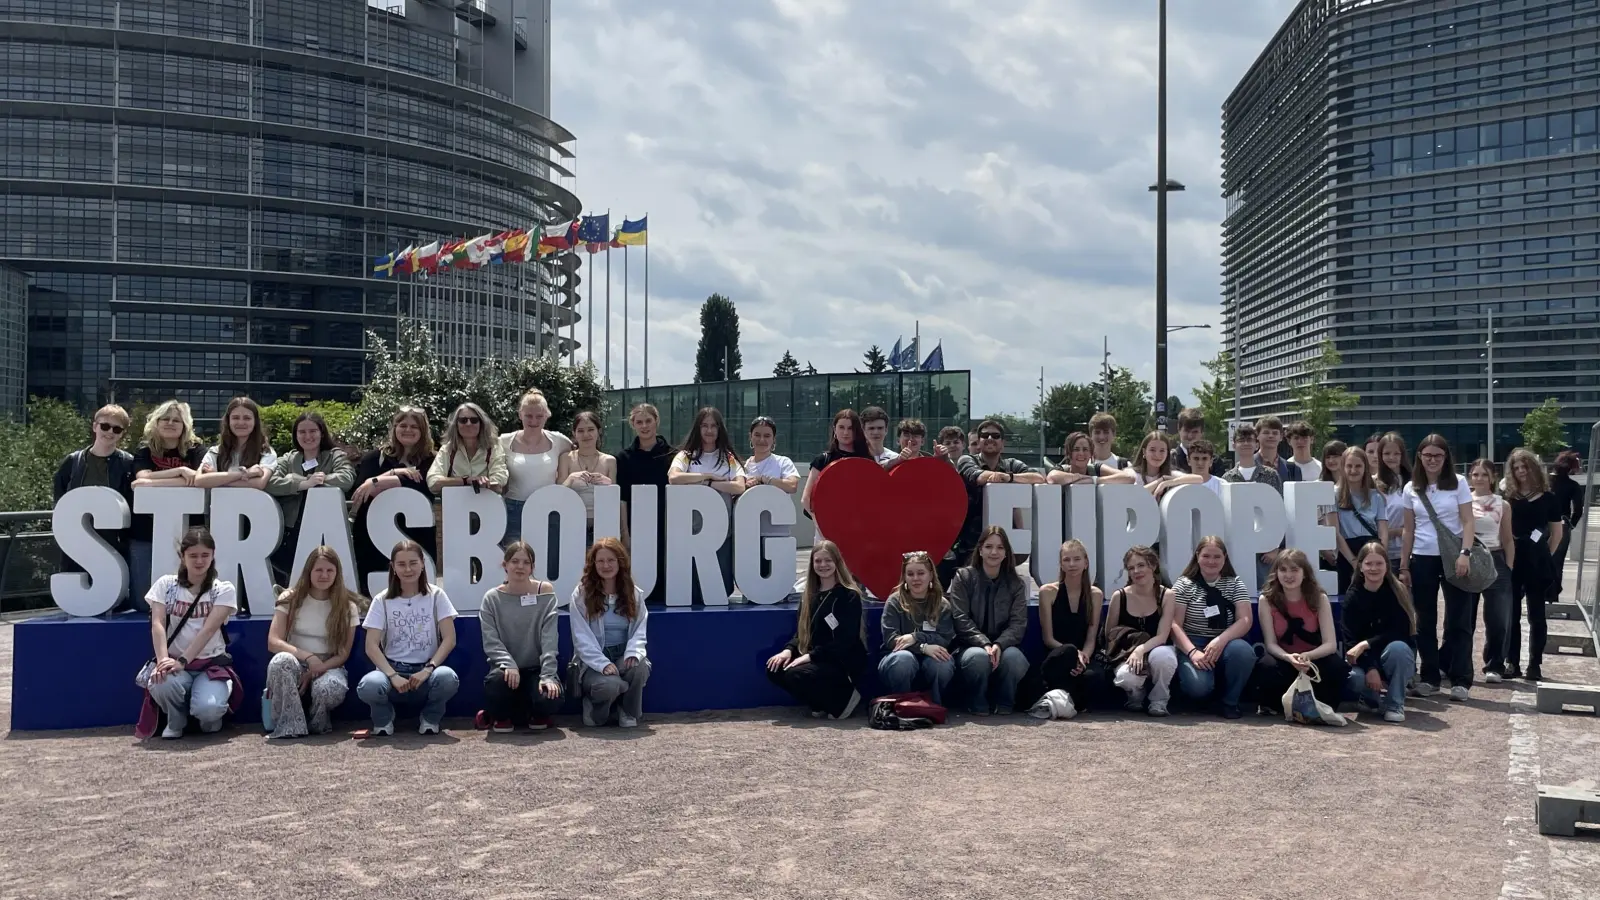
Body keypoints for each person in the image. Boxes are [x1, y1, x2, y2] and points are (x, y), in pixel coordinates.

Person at [1398, 434, 1477, 701]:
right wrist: (1404, 565)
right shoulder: (1411, 488)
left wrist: (1465, 553)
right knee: (1425, 621)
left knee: (1459, 619)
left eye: (1438, 455)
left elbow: (1468, 521)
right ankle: (1430, 676)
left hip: (1453, 556)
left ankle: (1461, 678)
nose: (1433, 460)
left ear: (1446, 458)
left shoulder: (1459, 483)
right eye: (1428, 455)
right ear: (1419, 456)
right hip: (1423, 557)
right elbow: (1409, 530)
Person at [141, 527, 239, 739]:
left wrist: (184, 660)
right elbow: (157, 623)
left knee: (209, 711)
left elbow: (209, 629)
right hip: (175, 663)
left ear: (213, 555)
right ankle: (176, 719)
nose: (199, 561)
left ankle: (207, 716)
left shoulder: (222, 589)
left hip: (210, 664)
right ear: (182, 557)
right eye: (193, 556)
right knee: (159, 682)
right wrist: (163, 661)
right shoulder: (166, 585)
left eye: (205, 555)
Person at [355, 540, 460, 735]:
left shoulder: (437, 595)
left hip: (425, 672)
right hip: (392, 672)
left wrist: (428, 670)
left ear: (422, 564)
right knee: (369, 685)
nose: (408, 569)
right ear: (393, 567)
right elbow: (371, 645)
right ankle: (384, 718)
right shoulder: (382, 600)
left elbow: (449, 639)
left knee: (447, 678)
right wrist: (392, 675)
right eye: (401, 564)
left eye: (413, 563)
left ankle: (430, 718)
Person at [263, 545, 361, 739]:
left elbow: (343, 654)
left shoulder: (347, 606)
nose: (324, 575)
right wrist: (309, 657)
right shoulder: (290, 598)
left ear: (337, 573)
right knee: (280, 661)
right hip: (296, 661)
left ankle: (319, 723)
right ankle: (291, 725)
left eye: (329, 570)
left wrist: (317, 668)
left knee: (328, 688)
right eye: (318, 570)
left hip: (328, 666)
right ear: (309, 571)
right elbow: (273, 642)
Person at [765, 540, 865, 719]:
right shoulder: (809, 595)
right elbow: (801, 631)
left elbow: (845, 640)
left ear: (837, 562)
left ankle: (845, 699)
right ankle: (819, 703)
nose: (823, 565)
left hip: (839, 660)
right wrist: (788, 650)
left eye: (828, 560)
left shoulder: (849, 596)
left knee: (797, 673)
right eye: (818, 561)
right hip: (815, 657)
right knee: (775, 669)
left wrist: (810, 657)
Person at [878, 550, 987, 706]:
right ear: (904, 577)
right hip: (897, 658)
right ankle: (902, 705)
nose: (915, 578)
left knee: (942, 663)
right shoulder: (895, 602)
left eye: (921, 573)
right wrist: (923, 647)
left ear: (930, 575)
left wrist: (916, 637)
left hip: (932, 655)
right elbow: (891, 639)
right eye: (910, 574)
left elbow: (945, 638)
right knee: (904, 659)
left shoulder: (942, 604)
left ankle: (934, 705)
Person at [54, 404, 136, 606]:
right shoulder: (73, 461)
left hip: (113, 542)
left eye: (116, 429)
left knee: (114, 602)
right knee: (77, 600)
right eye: (105, 426)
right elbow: (60, 496)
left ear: (122, 434)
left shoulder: (127, 463)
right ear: (94, 427)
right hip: (78, 543)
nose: (109, 432)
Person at [128, 400, 207, 611]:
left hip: (189, 533)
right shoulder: (145, 449)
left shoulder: (196, 449)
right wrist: (179, 472)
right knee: (142, 599)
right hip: (146, 532)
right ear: (156, 422)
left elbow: (202, 480)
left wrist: (151, 482)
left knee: (189, 597)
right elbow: (141, 478)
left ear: (185, 425)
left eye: (176, 420)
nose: (170, 423)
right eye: (165, 419)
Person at [476, 541, 562, 733]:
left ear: (532, 567)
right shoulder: (491, 598)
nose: (520, 566)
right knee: (496, 684)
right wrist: (509, 664)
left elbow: (549, 639)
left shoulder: (546, 593)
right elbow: (491, 641)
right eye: (515, 561)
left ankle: (538, 715)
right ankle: (501, 717)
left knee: (550, 696)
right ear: (505, 565)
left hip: (536, 669)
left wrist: (548, 675)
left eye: (526, 562)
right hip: (505, 671)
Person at [1167, 536, 1257, 719]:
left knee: (1243, 652)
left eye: (1217, 557)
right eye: (1206, 556)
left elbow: (1245, 620)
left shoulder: (1235, 583)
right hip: (1193, 643)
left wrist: (1220, 640)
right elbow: (1174, 624)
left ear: (1225, 558)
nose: (1211, 561)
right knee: (1198, 687)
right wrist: (1193, 652)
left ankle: (1230, 702)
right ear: (1197, 556)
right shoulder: (1184, 584)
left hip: (1226, 642)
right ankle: (1204, 696)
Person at [946, 526, 1031, 715]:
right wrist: (983, 643)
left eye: (1000, 547)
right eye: (989, 546)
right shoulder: (963, 577)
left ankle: (1005, 702)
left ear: (1007, 552)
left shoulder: (1016, 584)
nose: (994, 552)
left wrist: (999, 644)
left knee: (1015, 659)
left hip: (1004, 646)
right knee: (977, 658)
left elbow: (1018, 624)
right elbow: (960, 618)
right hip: (969, 646)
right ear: (980, 550)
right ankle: (977, 701)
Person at [350, 407, 438, 587]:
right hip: (373, 536)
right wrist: (394, 472)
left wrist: (377, 481)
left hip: (417, 534)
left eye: (414, 426)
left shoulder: (433, 460)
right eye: (403, 425)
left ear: (423, 431)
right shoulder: (375, 458)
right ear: (394, 428)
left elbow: (424, 485)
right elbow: (363, 490)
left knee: (418, 588)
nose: (408, 430)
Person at [265, 412, 355, 586]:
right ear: (296, 435)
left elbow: (346, 478)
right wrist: (303, 482)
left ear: (322, 432)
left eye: (313, 431)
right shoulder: (288, 458)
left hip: (326, 528)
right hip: (292, 529)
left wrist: (321, 479)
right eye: (302, 432)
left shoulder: (335, 455)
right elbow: (271, 483)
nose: (308, 436)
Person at [568, 538, 651, 727]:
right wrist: (602, 663)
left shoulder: (634, 593)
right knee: (610, 685)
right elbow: (581, 637)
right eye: (601, 561)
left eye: (611, 560)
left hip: (622, 654)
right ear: (593, 564)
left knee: (640, 667)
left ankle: (628, 711)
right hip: (594, 659)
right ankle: (596, 710)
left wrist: (633, 653)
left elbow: (640, 629)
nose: (606, 565)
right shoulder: (581, 594)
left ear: (620, 562)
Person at [950, 420, 1044, 586]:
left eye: (995, 435)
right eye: (985, 435)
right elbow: (976, 476)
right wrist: (997, 477)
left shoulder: (1011, 465)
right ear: (978, 441)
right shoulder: (966, 460)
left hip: (1006, 549)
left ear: (1003, 442)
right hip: (971, 546)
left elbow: (1039, 477)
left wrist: (1010, 477)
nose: (990, 438)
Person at [1253, 549, 1345, 716]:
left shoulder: (1320, 598)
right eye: (1283, 570)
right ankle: (1277, 707)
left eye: (1294, 570)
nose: (1288, 575)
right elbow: (1270, 644)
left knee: (1336, 667)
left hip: (1313, 658)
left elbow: (1330, 644)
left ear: (1304, 573)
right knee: (1266, 666)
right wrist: (1289, 658)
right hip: (1284, 659)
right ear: (1276, 573)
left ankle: (1323, 707)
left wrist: (1307, 657)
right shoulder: (1266, 600)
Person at [669, 407, 746, 601]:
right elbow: (674, 477)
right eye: (705, 426)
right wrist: (705, 476)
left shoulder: (728, 458)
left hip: (721, 534)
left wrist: (711, 483)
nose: (709, 430)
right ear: (698, 428)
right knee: (692, 592)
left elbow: (739, 487)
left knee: (719, 591)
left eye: (714, 426)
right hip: (691, 534)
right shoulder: (686, 456)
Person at [1506, 447, 1564, 682]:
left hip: (1537, 563)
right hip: (1513, 560)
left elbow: (1556, 534)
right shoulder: (1509, 497)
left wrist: (1544, 556)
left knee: (1537, 615)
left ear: (1534, 468)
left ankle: (1534, 663)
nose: (1521, 471)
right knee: (1511, 614)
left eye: (1525, 466)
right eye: (1516, 468)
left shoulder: (1549, 498)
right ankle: (1512, 662)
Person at [1342, 543, 1418, 723]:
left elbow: (1400, 633)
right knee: (1354, 678)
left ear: (1386, 566)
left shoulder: (1397, 592)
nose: (1373, 568)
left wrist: (1366, 643)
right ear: (1360, 566)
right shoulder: (1353, 597)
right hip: (1364, 661)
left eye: (1379, 563)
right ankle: (1370, 698)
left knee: (1399, 649)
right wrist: (1370, 668)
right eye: (1368, 564)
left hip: (1392, 656)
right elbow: (1350, 642)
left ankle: (1395, 704)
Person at [1102, 546, 1178, 716]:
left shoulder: (1167, 595)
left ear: (1153, 565)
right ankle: (1136, 696)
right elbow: (1110, 634)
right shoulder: (1119, 596)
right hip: (1127, 653)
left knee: (1163, 658)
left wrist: (1141, 650)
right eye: (1131, 568)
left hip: (1156, 649)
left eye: (1141, 565)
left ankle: (1159, 700)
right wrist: (1130, 652)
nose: (1136, 571)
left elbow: (1162, 636)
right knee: (1125, 677)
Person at [1034, 539, 1104, 712]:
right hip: (1057, 655)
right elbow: (1048, 639)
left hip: (1083, 659)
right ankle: (1062, 699)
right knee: (1069, 651)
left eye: (1077, 559)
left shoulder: (1095, 594)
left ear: (1086, 563)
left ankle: (1062, 700)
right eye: (1066, 560)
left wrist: (1083, 657)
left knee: (1095, 676)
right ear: (1061, 564)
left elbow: (1091, 637)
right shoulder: (1048, 592)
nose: (1072, 564)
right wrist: (1074, 654)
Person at [616, 402, 674, 605]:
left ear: (656, 421)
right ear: (633, 425)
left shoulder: (674, 456)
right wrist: (625, 533)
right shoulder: (623, 458)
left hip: (666, 529)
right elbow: (621, 499)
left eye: (648, 420)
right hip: (636, 528)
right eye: (639, 422)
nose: (644, 426)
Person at [501, 389, 574, 544]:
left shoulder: (560, 441)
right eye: (528, 415)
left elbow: (579, 455)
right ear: (520, 414)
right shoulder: (504, 441)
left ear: (547, 415)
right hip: (514, 510)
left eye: (539, 416)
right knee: (513, 561)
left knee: (549, 560)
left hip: (549, 509)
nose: (533, 420)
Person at [1467, 458, 1516, 684]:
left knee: (1498, 618)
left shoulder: (1502, 504)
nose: (1479, 479)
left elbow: (1507, 538)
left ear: (1493, 478)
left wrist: (1509, 566)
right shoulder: (1463, 500)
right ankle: (1456, 664)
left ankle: (1495, 664)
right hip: (1469, 558)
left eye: (1484, 474)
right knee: (1462, 616)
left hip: (1495, 559)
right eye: (1475, 474)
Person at [742, 416, 800, 580]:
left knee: (777, 580)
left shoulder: (782, 462)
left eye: (767, 436)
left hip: (777, 534)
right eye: (757, 435)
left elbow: (792, 486)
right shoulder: (743, 466)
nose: (762, 440)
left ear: (774, 439)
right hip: (749, 533)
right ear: (750, 437)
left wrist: (765, 480)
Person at [1325, 446, 1389, 594]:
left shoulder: (1376, 496)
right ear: (1343, 467)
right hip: (1347, 552)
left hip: (1372, 549)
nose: (1353, 470)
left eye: (1358, 466)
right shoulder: (1333, 495)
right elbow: (1335, 532)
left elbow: (1383, 530)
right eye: (1349, 466)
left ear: (1365, 468)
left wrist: (1380, 555)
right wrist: (1354, 561)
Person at [554, 410, 617, 543]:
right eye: (581, 430)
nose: (586, 435)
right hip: (572, 525)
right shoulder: (566, 458)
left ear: (598, 431)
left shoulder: (609, 461)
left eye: (590, 429)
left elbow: (614, 499)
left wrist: (609, 483)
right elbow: (559, 493)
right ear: (574, 434)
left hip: (602, 526)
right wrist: (571, 478)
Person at [801, 409, 871, 525]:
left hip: (859, 526)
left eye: (850, 428)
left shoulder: (866, 460)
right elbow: (806, 499)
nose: (846, 432)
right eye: (841, 427)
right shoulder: (822, 460)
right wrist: (819, 524)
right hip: (826, 526)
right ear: (834, 429)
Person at [427, 402, 507, 499]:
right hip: (457, 506)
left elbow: (500, 480)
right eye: (463, 420)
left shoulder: (494, 447)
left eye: (474, 420)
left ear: (481, 424)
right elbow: (433, 482)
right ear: (456, 425)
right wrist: (466, 480)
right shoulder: (448, 449)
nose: (468, 424)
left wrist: (485, 482)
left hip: (487, 505)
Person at [194, 396, 275, 489]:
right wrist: (245, 473)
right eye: (235, 418)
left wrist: (216, 478)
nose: (241, 422)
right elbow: (199, 481)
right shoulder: (215, 452)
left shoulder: (266, 452)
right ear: (228, 421)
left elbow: (259, 483)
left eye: (247, 418)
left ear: (255, 422)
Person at [1548, 449, 1584, 598]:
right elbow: (1578, 510)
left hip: (1543, 523)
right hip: (1562, 524)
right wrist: (1571, 524)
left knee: (1539, 559)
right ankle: (1552, 595)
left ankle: (1539, 594)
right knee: (1558, 562)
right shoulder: (1573, 485)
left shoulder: (1547, 482)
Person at [1128, 431, 1202, 498]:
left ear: (1167, 453)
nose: (1157, 454)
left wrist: (1168, 482)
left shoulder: (1169, 474)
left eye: (1162, 451)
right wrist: (1159, 481)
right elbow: (1136, 495)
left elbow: (1199, 479)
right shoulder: (1132, 474)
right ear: (1144, 452)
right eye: (1152, 450)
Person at [1047, 431, 1137, 485]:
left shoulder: (1096, 468)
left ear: (1091, 453)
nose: (1081, 453)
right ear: (1069, 453)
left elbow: (1129, 477)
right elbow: (1052, 477)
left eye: (1085, 449)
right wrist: (1080, 478)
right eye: (1076, 449)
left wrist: (1094, 480)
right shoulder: (1062, 469)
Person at [1376, 432, 1410, 569]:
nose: (1392, 458)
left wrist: (1402, 531)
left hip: (1410, 552)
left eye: (1396, 454)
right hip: (1383, 553)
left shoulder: (1413, 482)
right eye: (1387, 453)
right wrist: (1395, 532)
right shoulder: (1373, 483)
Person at [1254, 416, 1301, 483]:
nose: (1271, 436)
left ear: (1281, 437)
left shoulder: (1293, 470)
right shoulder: (1246, 466)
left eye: (1275, 433)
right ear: (1257, 435)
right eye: (1266, 432)